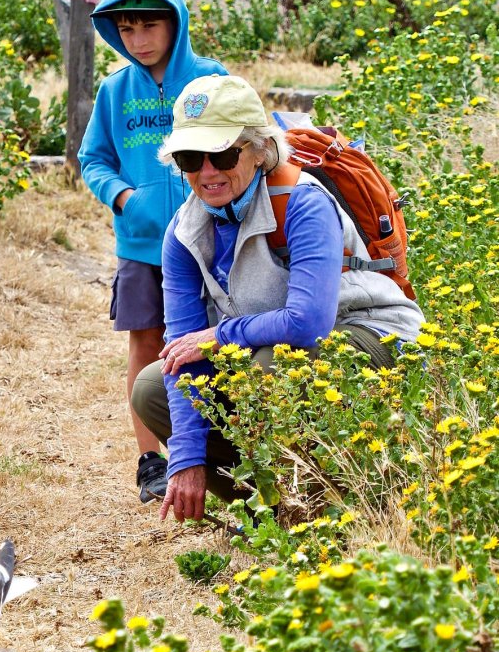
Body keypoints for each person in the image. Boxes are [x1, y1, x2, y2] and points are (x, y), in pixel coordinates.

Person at [131, 74, 425, 524]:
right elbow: (180, 352)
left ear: (260, 149)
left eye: (223, 153)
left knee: (270, 366)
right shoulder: (183, 232)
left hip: (369, 331)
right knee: (153, 387)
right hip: (272, 348)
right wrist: (186, 459)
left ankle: (342, 499)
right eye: (191, 158)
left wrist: (217, 336)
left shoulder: (303, 203)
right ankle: (280, 513)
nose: (207, 172)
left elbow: (308, 323)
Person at [78, 0, 228, 505]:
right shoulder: (114, 93)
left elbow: (246, 141)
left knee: (211, 339)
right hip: (142, 244)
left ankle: (213, 445)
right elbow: (92, 158)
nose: (138, 39)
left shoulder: (212, 79)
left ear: (176, 20)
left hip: (210, 238)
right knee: (148, 341)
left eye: (150, 24)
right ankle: (150, 460)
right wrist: (123, 197)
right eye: (126, 27)